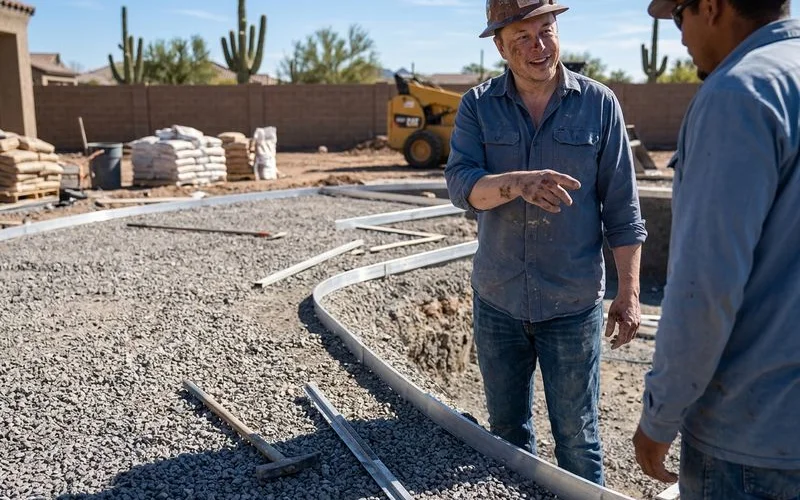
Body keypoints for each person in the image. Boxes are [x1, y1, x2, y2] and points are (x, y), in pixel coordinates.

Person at [444, 0, 647, 485]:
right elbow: (460, 184)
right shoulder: (477, 106)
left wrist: (629, 292)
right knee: (506, 435)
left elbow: (623, 211)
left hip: (572, 305)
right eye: (522, 38)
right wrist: (517, 182)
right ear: (500, 46)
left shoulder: (600, 104)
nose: (539, 46)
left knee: (578, 437)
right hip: (498, 299)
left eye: (546, 30)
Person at [633, 1, 800, 498]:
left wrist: (659, 419)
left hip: (751, 442)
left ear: (711, 7)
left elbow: (704, 290)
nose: (679, 35)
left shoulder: (739, 94)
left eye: (678, 15)